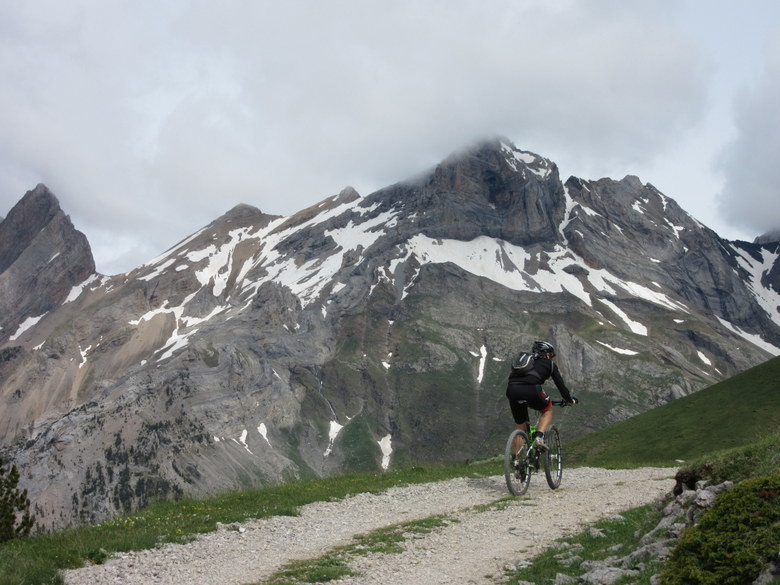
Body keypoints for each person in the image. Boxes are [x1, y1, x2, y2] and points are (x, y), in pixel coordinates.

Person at [506, 340, 577, 450]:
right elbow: (560, 385)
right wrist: (569, 399)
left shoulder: (525, 361)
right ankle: (539, 437)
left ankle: (517, 461)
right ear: (548, 354)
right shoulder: (550, 364)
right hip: (532, 389)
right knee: (547, 410)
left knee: (521, 425)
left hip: (512, 390)